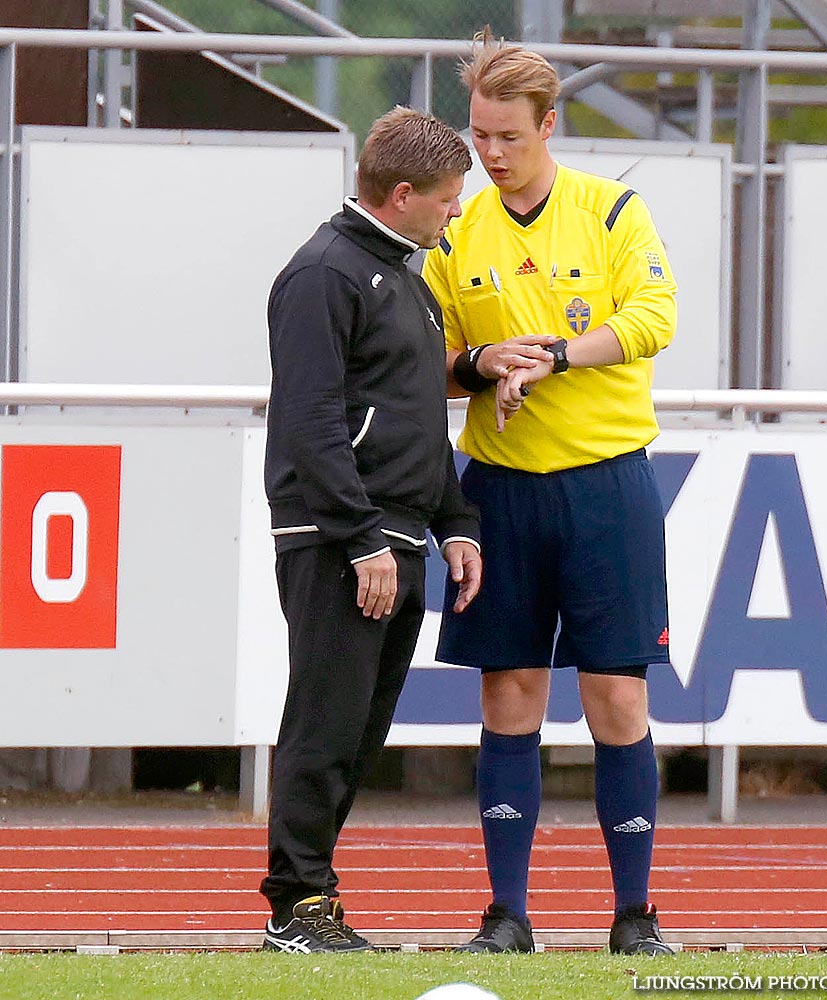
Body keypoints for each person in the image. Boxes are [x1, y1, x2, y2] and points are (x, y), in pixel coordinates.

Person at [422, 31, 677, 957]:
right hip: (503, 494)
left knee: (617, 697)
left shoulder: (612, 213)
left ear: (549, 126)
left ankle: (636, 917)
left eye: (507, 138)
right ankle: (507, 916)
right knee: (511, 693)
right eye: (479, 136)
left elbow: (655, 318)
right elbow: (432, 368)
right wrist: (484, 364)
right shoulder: (456, 231)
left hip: (608, 485)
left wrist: (558, 354)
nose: (490, 155)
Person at [261, 106, 482, 954]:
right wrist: (359, 538)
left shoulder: (402, 277)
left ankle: (313, 898)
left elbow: (417, 422)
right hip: (339, 536)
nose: (455, 213)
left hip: (392, 531)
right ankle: (297, 907)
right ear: (401, 195)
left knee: (358, 727)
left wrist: (453, 522)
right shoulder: (325, 273)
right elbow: (310, 421)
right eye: (448, 199)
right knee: (326, 718)